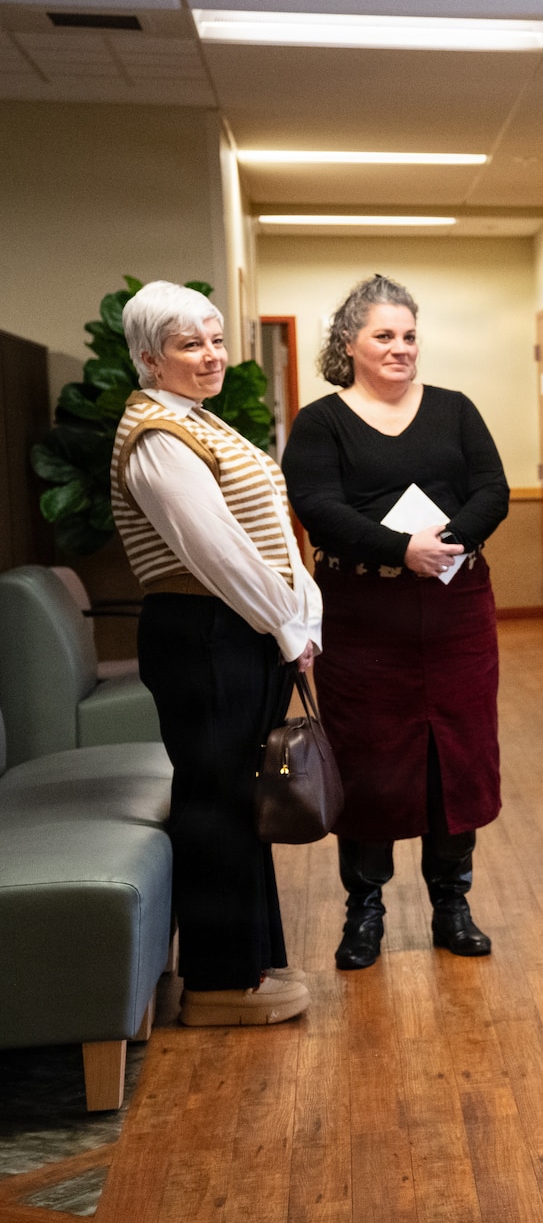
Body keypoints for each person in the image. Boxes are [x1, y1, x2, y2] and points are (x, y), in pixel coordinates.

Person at [282, 275, 509, 971]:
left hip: (455, 611)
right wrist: (399, 549)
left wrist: (446, 544)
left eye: (409, 335)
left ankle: (452, 905)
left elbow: (492, 490)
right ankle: (365, 911)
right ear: (349, 342)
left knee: (457, 757)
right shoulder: (321, 422)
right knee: (369, 760)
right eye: (384, 335)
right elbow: (317, 507)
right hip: (364, 618)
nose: (400, 347)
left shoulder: (455, 409)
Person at [110, 281, 321, 1026]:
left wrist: (302, 612)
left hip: (236, 630)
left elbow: (270, 535)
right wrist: (288, 626)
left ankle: (249, 964)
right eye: (189, 344)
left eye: (216, 339)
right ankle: (220, 983)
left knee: (241, 796)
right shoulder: (156, 435)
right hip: (204, 634)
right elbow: (217, 554)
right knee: (217, 800)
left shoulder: (196, 419)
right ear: (148, 358)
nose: (212, 355)